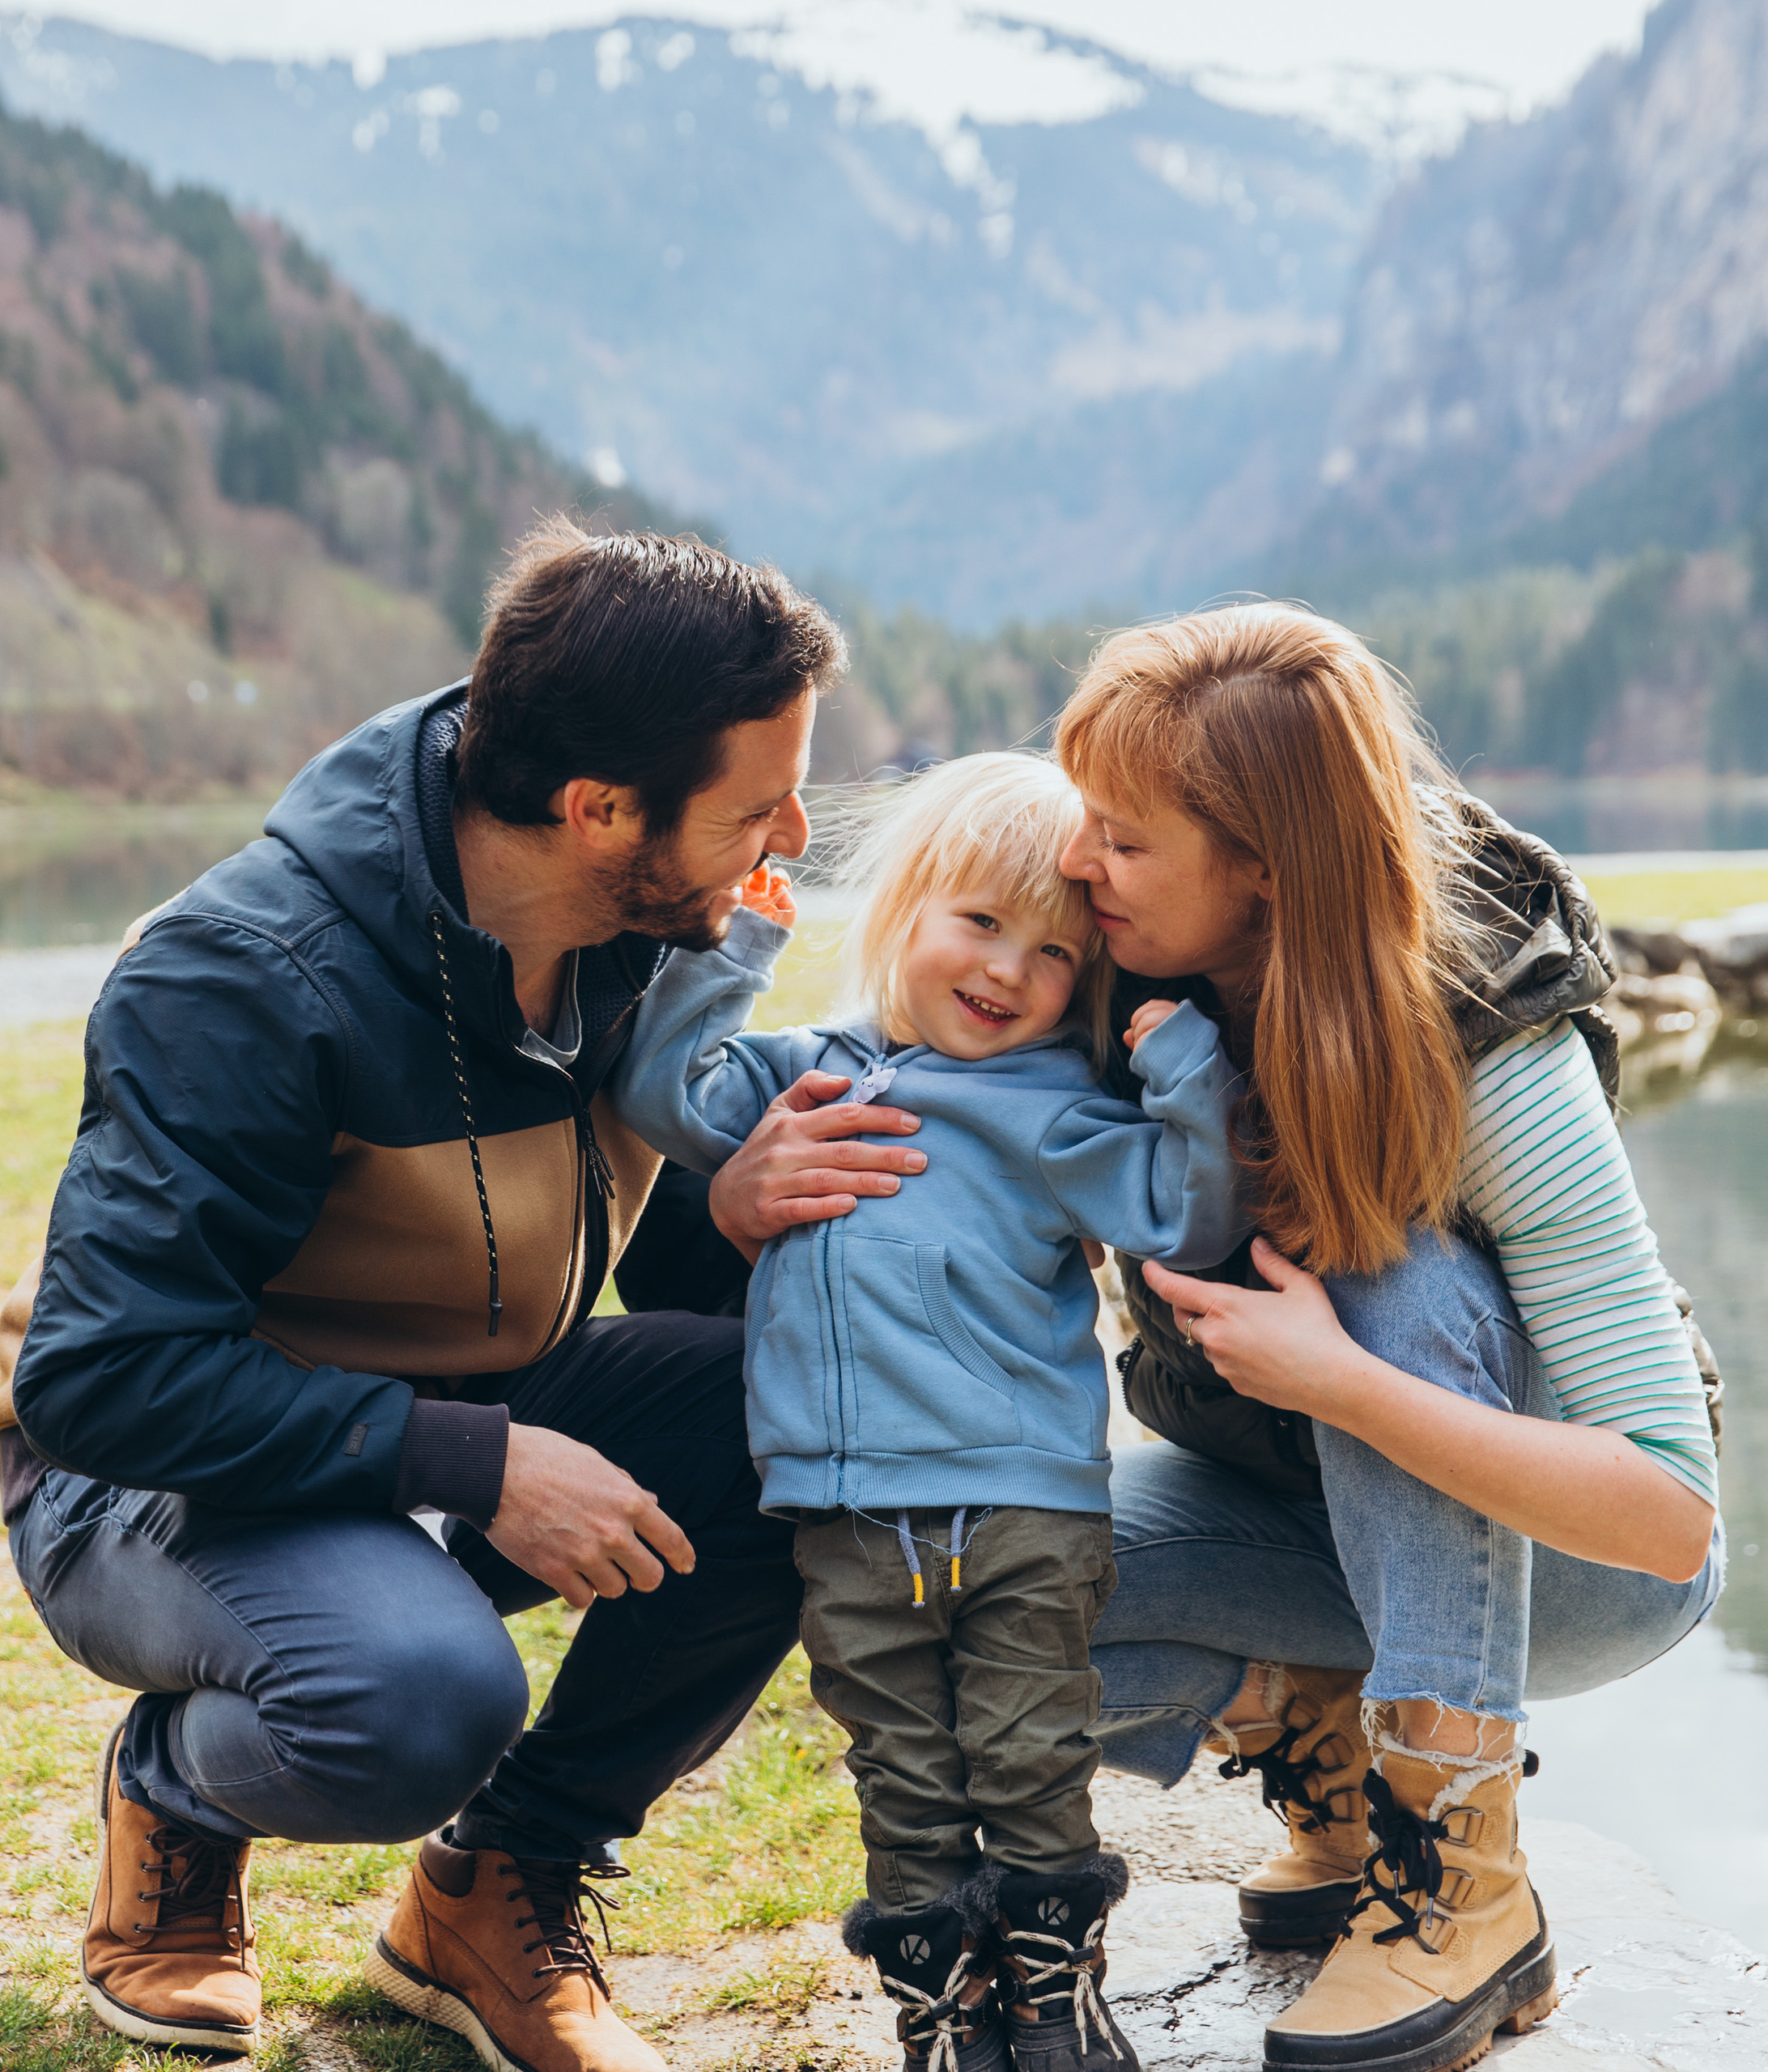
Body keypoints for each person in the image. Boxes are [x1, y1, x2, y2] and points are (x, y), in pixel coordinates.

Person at [645, 605, 1722, 2072]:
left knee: (1385, 1273)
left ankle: (1461, 1892)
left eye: (1123, 838)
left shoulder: (1487, 1041)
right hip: (1296, 1518)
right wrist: (760, 1184)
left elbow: (1669, 1522)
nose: (1079, 865)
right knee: (995, 1614)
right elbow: (911, 1088)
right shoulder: (1115, 988)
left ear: (1263, 870)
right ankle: (1326, 1751)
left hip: (1568, 1561)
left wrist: (1343, 1381)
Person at [0, 520, 843, 2068]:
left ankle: (498, 1886)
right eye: (757, 812)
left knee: (815, 1407)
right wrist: (483, 1463)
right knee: (418, 1702)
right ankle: (174, 1798)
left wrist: (757, 1203)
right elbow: (100, 1378)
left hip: (451, 1411)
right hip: (150, 1478)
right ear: (598, 810)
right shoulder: (245, 976)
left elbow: (670, 1283)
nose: (782, 852)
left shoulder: (635, 933)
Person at [612, 753, 1252, 2072]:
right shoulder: (803, 1080)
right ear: (903, 907)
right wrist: (735, 945)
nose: (1010, 970)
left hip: (1025, 1506)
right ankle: (942, 2008)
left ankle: (1053, 1990)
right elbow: (660, 1096)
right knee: (903, 1771)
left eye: (1057, 954)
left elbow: (1185, 1212)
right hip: (846, 1513)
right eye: (980, 922)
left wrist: (1185, 1067)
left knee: (1029, 1758)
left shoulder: (1060, 1113)